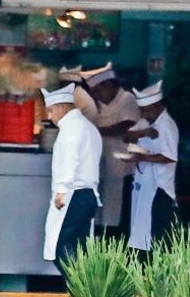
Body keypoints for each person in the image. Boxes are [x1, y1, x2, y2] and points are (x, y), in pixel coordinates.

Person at [40, 84, 102, 281]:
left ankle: (79, 286)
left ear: (62, 107)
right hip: (87, 194)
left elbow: (70, 159)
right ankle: (84, 290)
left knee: (61, 245)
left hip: (73, 194)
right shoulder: (88, 127)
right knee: (80, 247)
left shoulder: (71, 129)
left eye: (50, 111)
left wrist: (61, 190)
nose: (50, 116)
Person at [82, 62, 139, 235]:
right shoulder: (95, 104)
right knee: (100, 212)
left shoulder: (127, 99)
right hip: (101, 165)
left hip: (123, 169)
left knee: (118, 211)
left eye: (99, 91)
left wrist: (94, 131)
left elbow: (125, 127)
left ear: (109, 85)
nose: (97, 96)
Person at [125, 80, 179, 253]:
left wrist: (143, 157)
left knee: (157, 238)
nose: (144, 114)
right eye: (142, 111)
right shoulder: (148, 122)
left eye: (147, 110)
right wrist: (144, 132)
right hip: (145, 186)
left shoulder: (167, 126)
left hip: (160, 190)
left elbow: (169, 157)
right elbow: (127, 136)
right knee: (141, 234)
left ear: (157, 106)